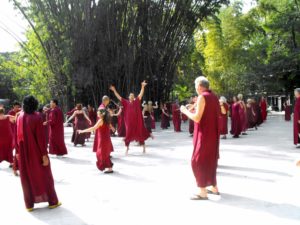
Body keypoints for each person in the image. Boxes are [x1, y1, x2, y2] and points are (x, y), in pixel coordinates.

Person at [17, 95, 61, 211]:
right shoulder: (36, 117)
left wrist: (17, 152)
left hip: (23, 152)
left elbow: (18, 137)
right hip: (36, 152)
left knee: (26, 177)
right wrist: (44, 155)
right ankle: (52, 201)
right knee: (45, 175)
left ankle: (29, 205)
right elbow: (41, 139)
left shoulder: (20, 117)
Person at [180, 76, 220, 200]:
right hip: (213, 135)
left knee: (197, 161)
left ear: (199, 86)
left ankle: (202, 191)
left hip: (204, 135)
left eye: (196, 86)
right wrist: (193, 106)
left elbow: (197, 118)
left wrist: (185, 111)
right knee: (210, 161)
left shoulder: (203, 97)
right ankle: (214, 187)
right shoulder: (214, 96)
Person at [110, 81, 150, 155]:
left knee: (140, 134)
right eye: (130, 96)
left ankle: (144, 147)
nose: (131, 97)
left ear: (133, 97)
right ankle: (127, 149)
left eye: (132, 97)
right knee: (128, 135)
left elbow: (141, 94)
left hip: (136, 122)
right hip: (129, 123)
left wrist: (142, 86)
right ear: (129, 97)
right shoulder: (126, 102)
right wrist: (114, 90)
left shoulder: (136, 101)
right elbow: (118, 97)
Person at [78, 109, 114, 173]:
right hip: (106, 139)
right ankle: (109, 167)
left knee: (100, 154)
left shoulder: (101, 120)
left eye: (98, 113)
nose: (97, 113)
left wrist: (82, 131)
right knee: (104, 154)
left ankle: (109, 167)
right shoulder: (106, 120)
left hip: (103, 140)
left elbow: (93, 128)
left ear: (102, 114)